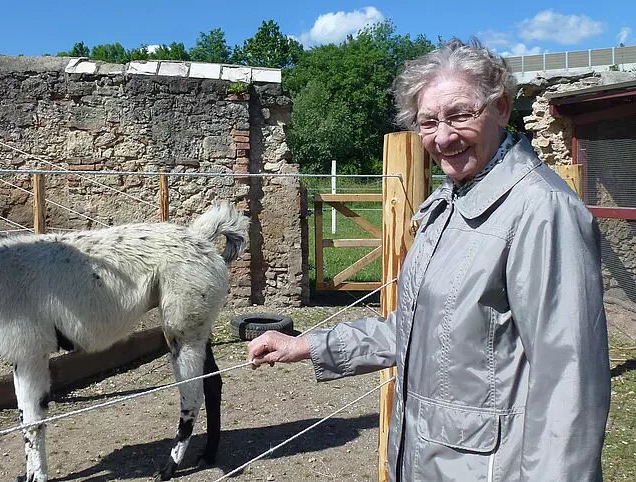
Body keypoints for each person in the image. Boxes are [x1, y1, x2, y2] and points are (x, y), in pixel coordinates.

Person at [248, 38, 610, 481]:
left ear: (500, 108)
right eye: (428, 122)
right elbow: (420, 330)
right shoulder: (453, 202)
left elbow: (569, 387)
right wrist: (308, 345)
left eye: (461, 114)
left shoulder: (542, 211)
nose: (443, 136)